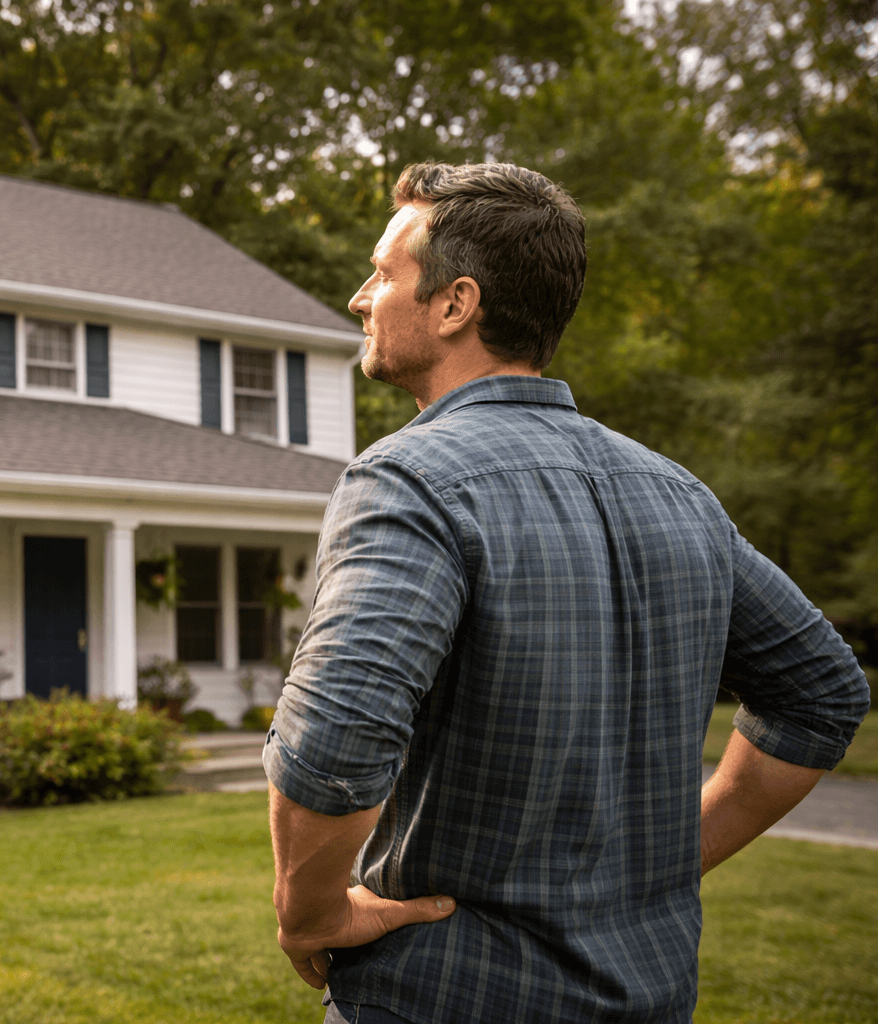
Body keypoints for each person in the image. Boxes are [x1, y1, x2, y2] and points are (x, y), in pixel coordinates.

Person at [262, 161, 871, 1024]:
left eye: (383, 273)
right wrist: (667, 858)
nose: (363, 296)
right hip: (650, 999)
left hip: (443, 1000)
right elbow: (824, 692)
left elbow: (335, 740)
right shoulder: (680, 494)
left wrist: (312, 912)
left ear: (454, 304)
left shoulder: (409, 480)